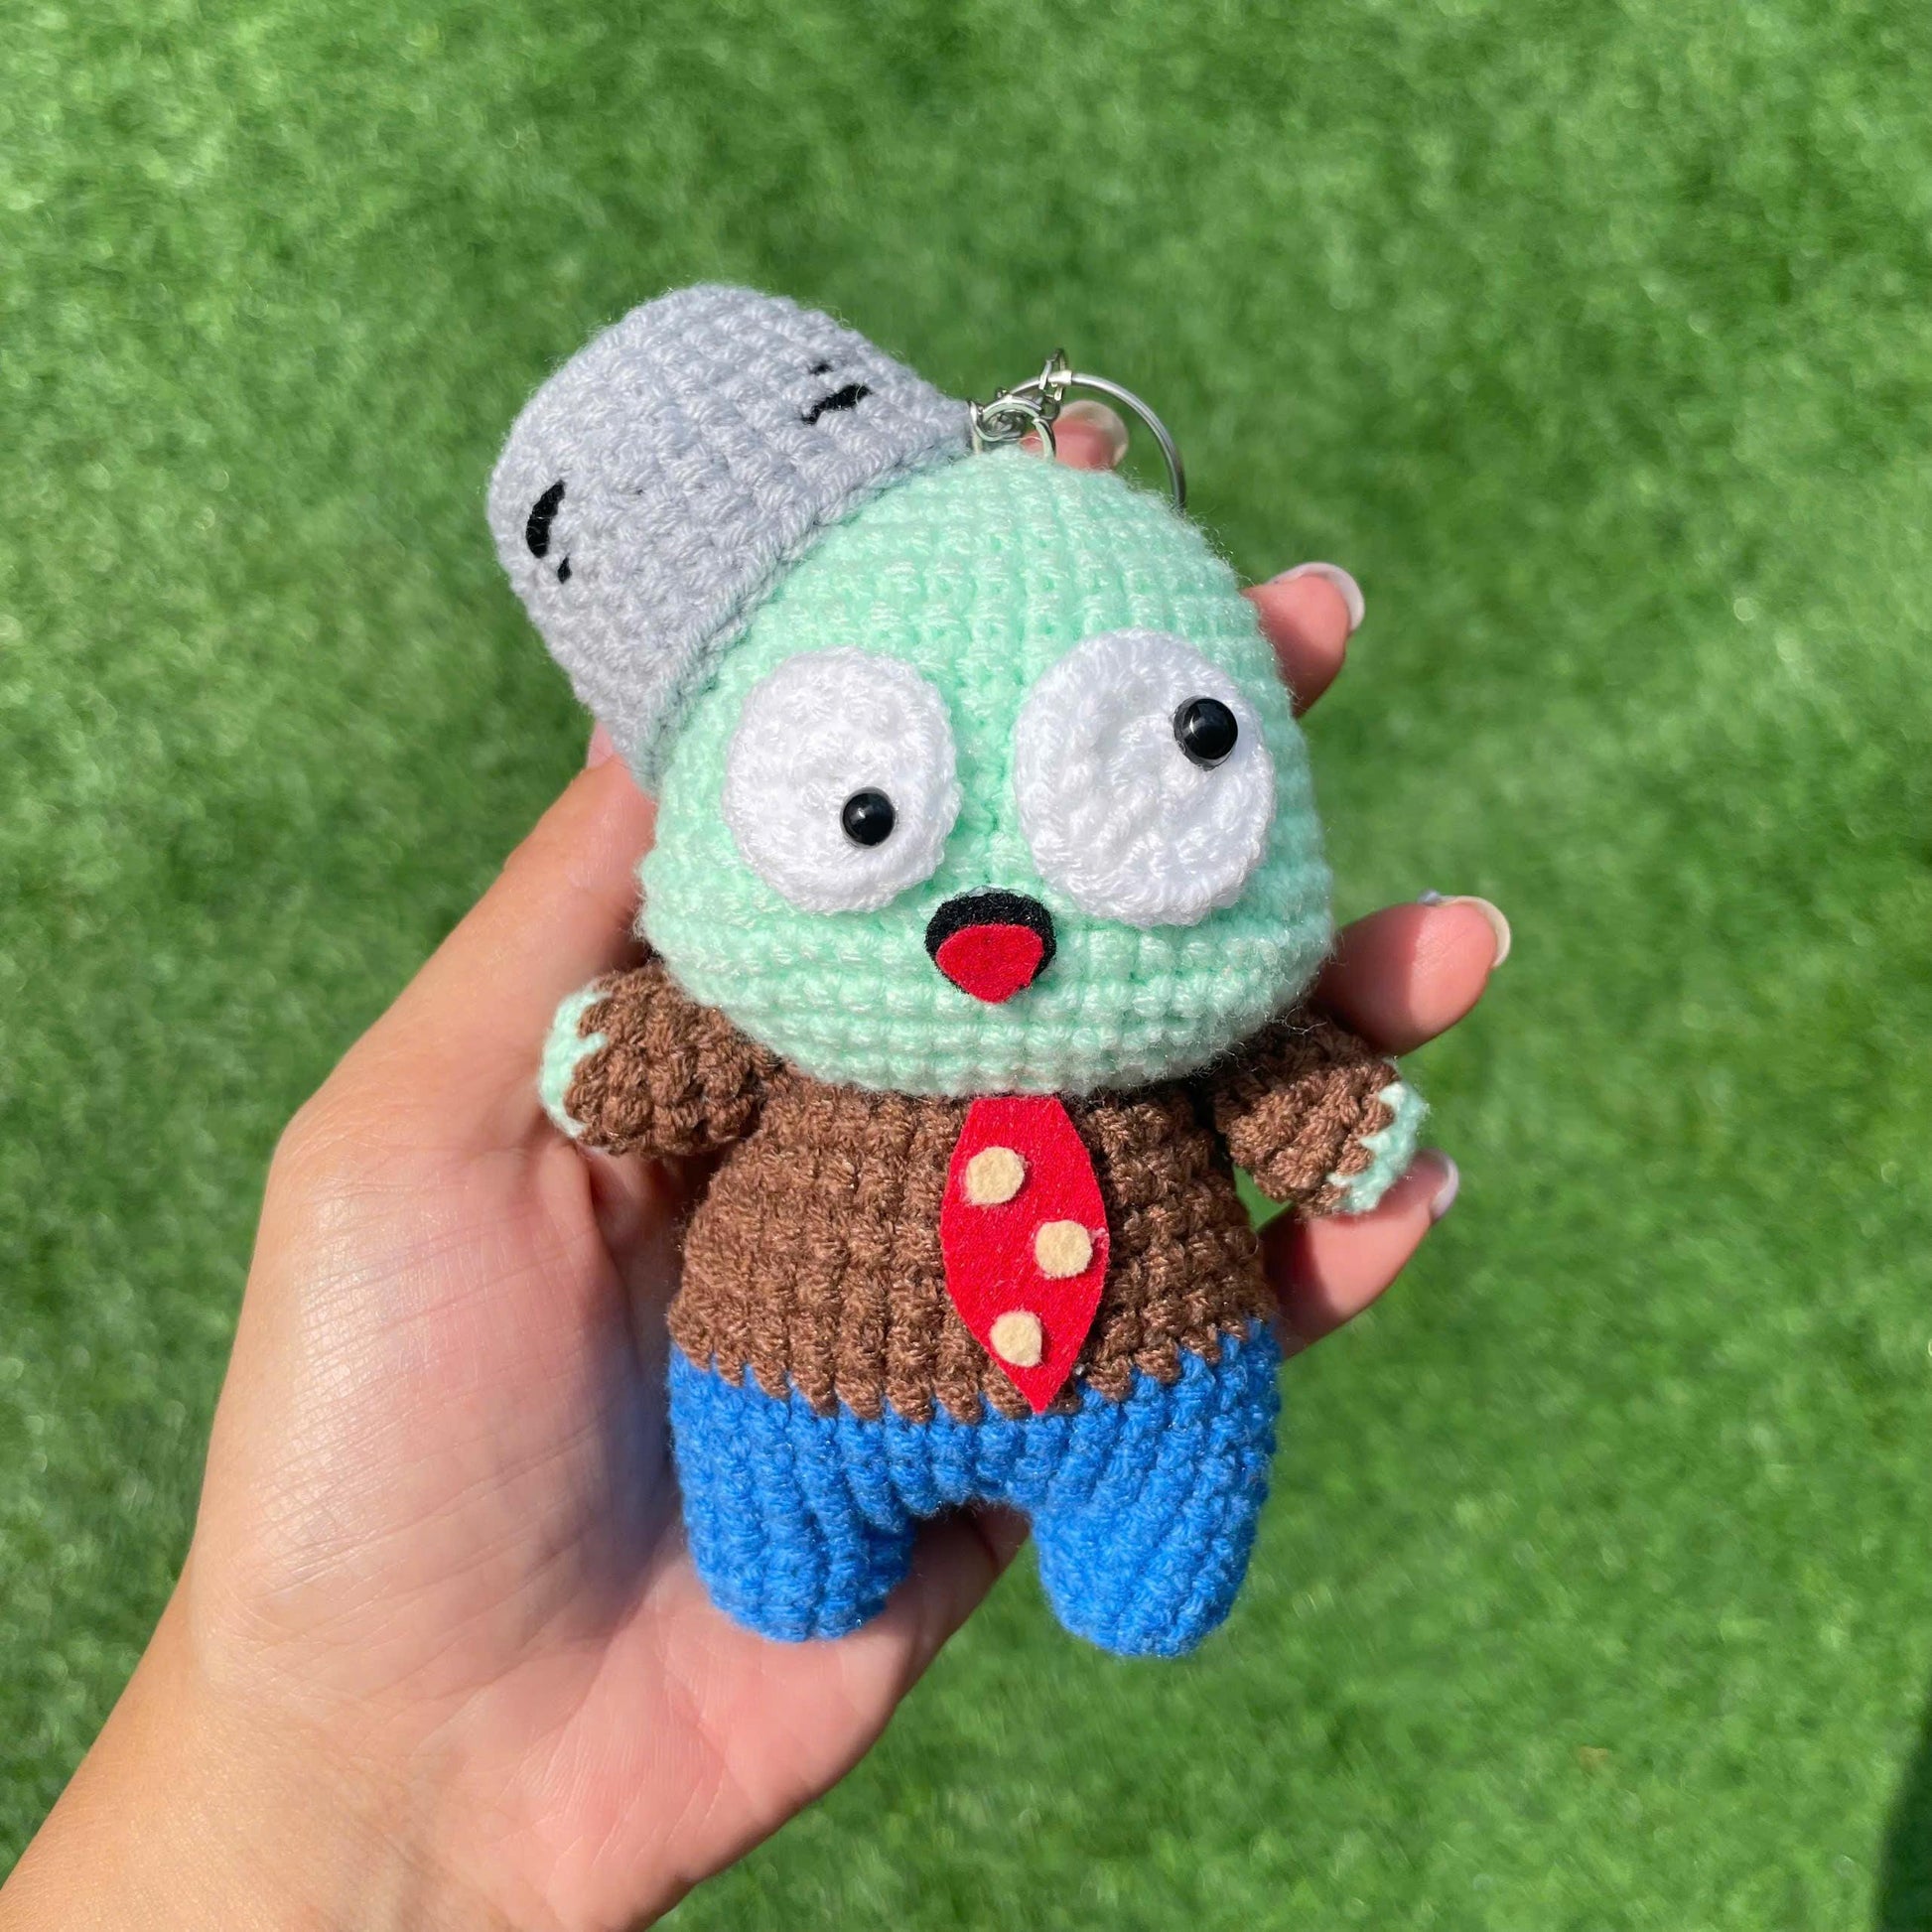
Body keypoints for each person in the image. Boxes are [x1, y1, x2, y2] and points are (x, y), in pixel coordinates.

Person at [0, 415, 1504, 1930]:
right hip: (798, 1398)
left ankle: (1081, 1553)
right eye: (867, 819)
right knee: (791, 1567)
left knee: (1146, 1568)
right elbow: (673, 1064)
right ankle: (815, 1552)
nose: (992, 919)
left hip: (1110, 1384)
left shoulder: (1175, 1028)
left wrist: (1315, 1109)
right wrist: (637, 1054)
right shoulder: (780, 1019)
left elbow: (1281, 1088)